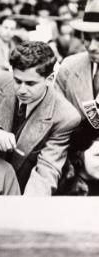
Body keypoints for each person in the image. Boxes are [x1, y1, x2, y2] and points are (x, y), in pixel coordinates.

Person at [0, 41, 81, 195]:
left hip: (23, 190)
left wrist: (27, 208)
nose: (21, 90)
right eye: (17, 81)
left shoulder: (66, 116)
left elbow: (47, 170)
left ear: (50, 79)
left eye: (30, 83)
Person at [55, 0, 99, 195]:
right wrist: (78, 160)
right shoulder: (69, 67)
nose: (92, 47)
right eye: (87, 38)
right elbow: (55, 125)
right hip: (77, 177)